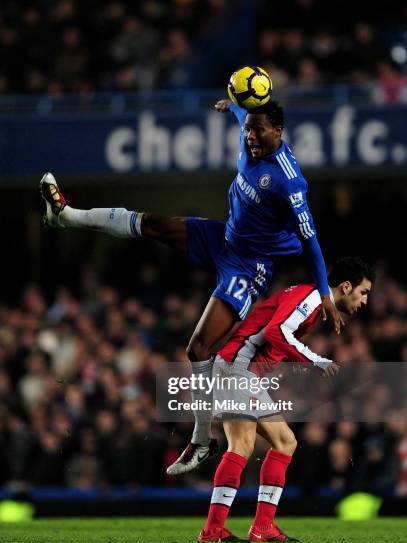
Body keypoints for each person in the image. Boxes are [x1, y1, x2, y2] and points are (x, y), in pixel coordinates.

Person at [39, 98, 343, 475]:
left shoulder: (289, 181)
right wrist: (233, 106)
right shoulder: (250, 138)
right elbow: (241, 118)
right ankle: (66, 217)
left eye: (258, 129)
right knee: (155, 224)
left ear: (278, 131)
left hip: (249, 267)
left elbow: (310, 241)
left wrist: (325, 292)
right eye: (247, 128)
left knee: (198, 347)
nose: (250, 135)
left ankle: (202, 441)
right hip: (224, 239)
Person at [198, 256, 374, 543]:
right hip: (237, 366)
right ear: (345, 286)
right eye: (364, 292)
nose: (365, 300)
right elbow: (276, 331)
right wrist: (317, 360)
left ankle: (262, 527)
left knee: (285, 442)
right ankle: (213, 529)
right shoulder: (312, 297)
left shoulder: (313, 301)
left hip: (240, 369)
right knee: (242, 445)